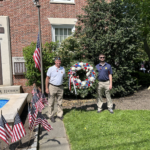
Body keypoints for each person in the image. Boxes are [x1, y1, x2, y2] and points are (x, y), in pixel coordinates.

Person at [45, 56, 66, 122]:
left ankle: (59, 115)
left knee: (60, 102)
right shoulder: (51, 68)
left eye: (59, 61)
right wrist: (46, 88)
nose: (59, 62)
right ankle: (51, 116)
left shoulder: (63, 69)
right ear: (55, 62)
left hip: (60, 87)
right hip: (52, 87)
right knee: (51, 102)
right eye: (57, 61)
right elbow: (47, 78)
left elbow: (64, 77)